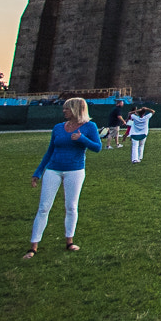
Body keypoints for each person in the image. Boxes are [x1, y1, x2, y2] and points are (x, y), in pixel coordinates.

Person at [24, 97, 102, 259]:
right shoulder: (58, 128)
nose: (64, 111)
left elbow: (97, 147)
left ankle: (69, 241)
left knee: (71, 207)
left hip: (75, 171)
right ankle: (33, 246)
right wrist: (38, 172)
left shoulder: (89, 126)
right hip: (53, 170)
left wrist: (81, 139)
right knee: (44, 207)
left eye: (67, 109)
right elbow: (50, 151)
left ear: (76, 110)